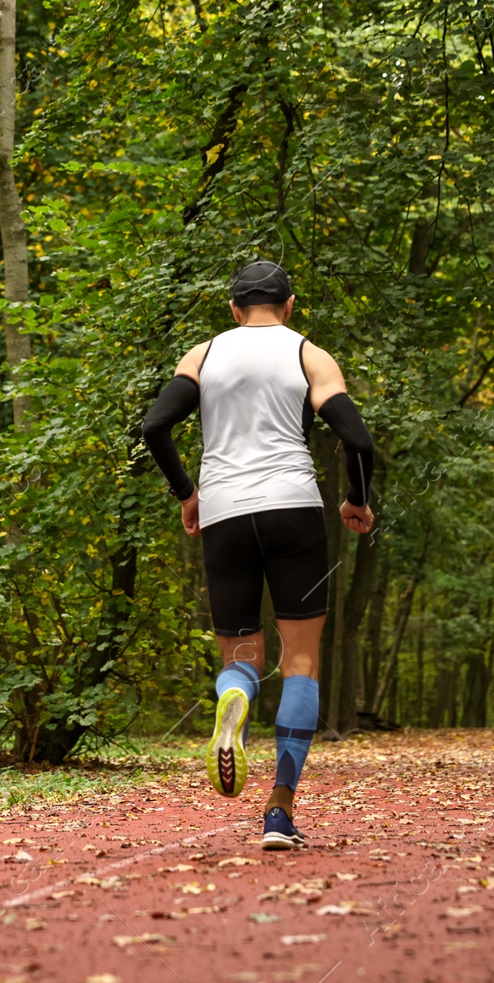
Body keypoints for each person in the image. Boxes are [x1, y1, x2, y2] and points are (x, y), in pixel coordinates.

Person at [141, 260, 375, 850]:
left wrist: (187, 495)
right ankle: (279, 811)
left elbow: (155, 427)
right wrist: (357, 500)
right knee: (300, 661)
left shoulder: (203, 356)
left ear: (233, 309)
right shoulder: (309, 355)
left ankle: (235, 694)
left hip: (224, 514)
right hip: (293, 510)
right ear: (290, 306)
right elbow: (357, 439)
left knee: (242, 655)